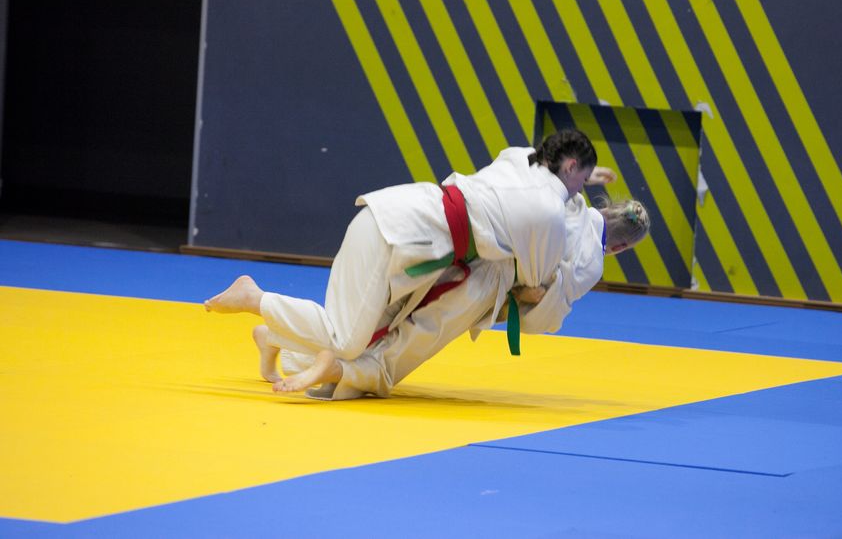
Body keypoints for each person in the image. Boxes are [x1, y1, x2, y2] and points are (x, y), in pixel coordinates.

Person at [205, 129, 598, 373]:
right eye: (582, 180)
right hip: (401, 236)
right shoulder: (549, 211)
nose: (581, 189)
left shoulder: (520, 159)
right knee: (347, 341)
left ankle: (274, 339)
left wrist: (584, 177)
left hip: (408, 221)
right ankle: (255, 297)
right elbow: (532, 287)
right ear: (569, 165)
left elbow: (540, 169)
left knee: (372, 335)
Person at [270, 194, 650, 399]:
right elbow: (542, 309)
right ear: (620, 248)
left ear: (607, 207)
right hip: (485, 284)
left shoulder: (568, 201)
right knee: (406, 346)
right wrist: (523, 297)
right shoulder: (591, 261)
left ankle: (284, 342)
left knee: (384, 313)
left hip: (459, 245)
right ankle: (337, 372)